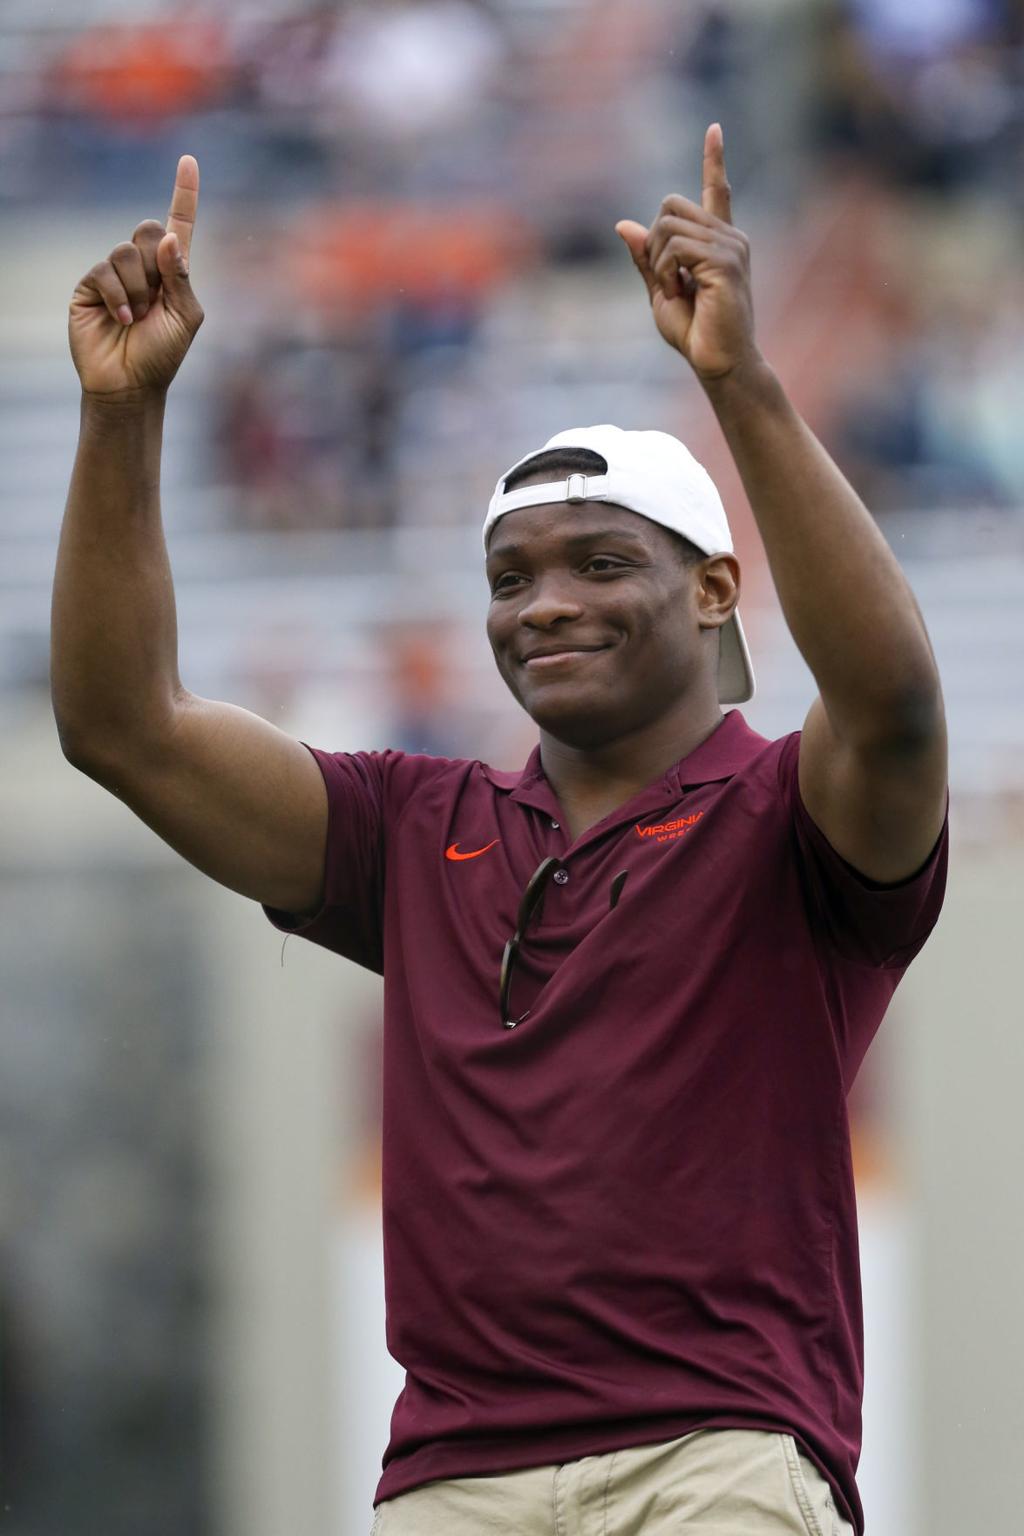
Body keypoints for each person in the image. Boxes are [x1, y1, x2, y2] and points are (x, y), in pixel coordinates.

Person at [53, 127, 949, 1536]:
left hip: (717, 1455)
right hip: (451, 1483)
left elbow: (893, 703)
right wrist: (123, 415)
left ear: (716, 590)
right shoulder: (417, 827)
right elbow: (125, 729)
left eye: (602, 563)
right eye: (511, 576)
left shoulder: (790, 813)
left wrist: (739, 379)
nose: (545, 606)